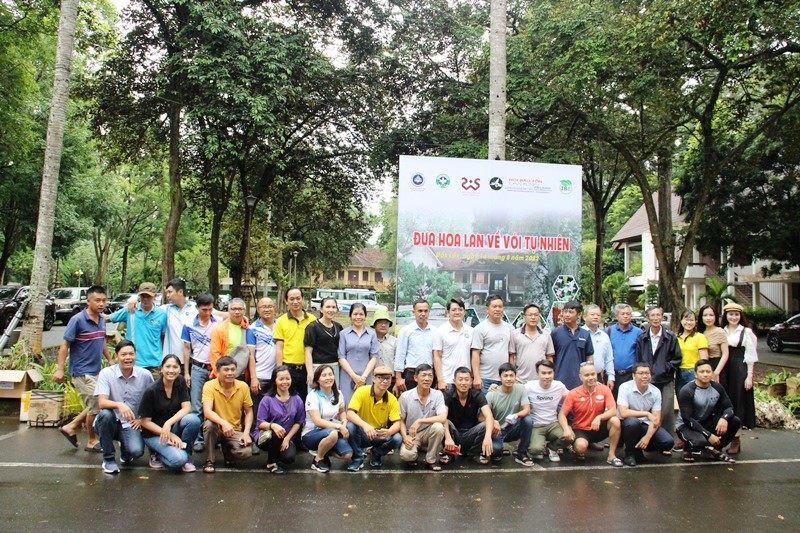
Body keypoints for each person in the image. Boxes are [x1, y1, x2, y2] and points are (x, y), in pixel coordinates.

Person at [55, 285, 111, 452]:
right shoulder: (77, 320)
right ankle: (92, 440)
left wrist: (109, 359)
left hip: (96, 371)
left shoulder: (101, 319)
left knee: (97, 403)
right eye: (97, 300)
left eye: (103, 300)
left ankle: (71, 427)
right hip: (81, 371)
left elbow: (102, 341)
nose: (101, 304)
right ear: (88, 301)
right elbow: (65, 345)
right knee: (97, 404)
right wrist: (60, 369)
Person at [93, 340, 155, 474]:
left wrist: (141, 419)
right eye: (124, 354)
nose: (128, 358)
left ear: (135, 355)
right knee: (105, 415)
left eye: (131, 354)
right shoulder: (106, 373)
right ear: (116, 357)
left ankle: (126, 452)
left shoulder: (145, 375)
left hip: (131, 424)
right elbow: (102, 402)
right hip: (110, 422)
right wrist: (119, 405)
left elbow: (151, 402)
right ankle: (108, 459)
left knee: (136, 451)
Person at [139, 354, 201, 472]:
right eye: (168, 367)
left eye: (175, 367)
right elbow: (145, 422)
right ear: (161, 369)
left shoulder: (180, 381)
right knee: (178, 460)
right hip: (154, 434)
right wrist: (169, 434)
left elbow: (187, 408)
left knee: (193, 420)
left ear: (179, 369)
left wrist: (168, 423)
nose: (171, 370)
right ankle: (157, 452)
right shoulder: (151, 390)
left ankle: (186, 455)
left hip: (172, 428)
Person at [676, 359, 741, 464]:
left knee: (734, 421)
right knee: (700, 442)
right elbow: (688, 419)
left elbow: (729, 407)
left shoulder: (717, 387)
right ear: (695, 374)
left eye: (708, 371)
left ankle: (715, 449)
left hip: (704, 422)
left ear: (712, 373)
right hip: (687, 426)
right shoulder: (687, 391)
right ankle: (688, 448)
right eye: (702, 372)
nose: (705, 375)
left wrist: (724, 418)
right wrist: (709, 435)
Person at [558, 362, 623, 467]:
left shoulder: (604, 389)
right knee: (580, 447)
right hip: (581, 429)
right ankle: (575, 447)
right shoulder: (573, 393)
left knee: (615, 421)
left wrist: (599, 417)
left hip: (597, 427)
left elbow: (613, 410)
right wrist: (566, 429)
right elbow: (562, 414)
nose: (591, 377)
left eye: (593, 374)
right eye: (587, 375)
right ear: (580, 377)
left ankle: (611, 456)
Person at [635, 306, 682, 442]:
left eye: (658, 315)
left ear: (662, 317)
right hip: (646, 379)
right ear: (648, 318)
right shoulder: (642, 337)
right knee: (647, 410)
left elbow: (677, 358)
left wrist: (665, 368)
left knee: (666, 411)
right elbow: (638, 359)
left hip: (665, 379)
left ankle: (666, 440)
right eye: (652, 316)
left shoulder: (670, 336)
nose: (655, 318)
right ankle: (647, 440)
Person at [201, 356, 253, 473]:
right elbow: (207, 411)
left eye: (232, 369)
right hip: (216, 428)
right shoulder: (209, 386)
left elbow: (249, 412)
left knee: (246, 453)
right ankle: (210, 460)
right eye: (226, 370)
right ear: (218, 371)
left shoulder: (243, 386)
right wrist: (223, 423)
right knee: (209, 425)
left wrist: (246, 433)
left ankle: (227, 449)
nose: (230, 373)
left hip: (234, 430)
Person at [181, 293, 220, 452]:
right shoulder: (189, 324)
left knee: (216, 405)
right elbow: (186, 348)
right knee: (197, 406)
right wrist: (186, 373)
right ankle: (197, 439)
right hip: (197, 368)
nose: (207, 313)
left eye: (210, 309)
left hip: (215, 369)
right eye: (204, 310)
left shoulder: (218, 322)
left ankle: (215, 437)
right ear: (197, 308)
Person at [616, 362, 675, 466]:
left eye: (647, 373)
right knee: (633, 423)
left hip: (645, 424)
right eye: (641, 373)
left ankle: (638, 449)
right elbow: (624, 413)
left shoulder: (655, 391)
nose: (645, 376)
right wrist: (646, 414)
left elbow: (656, 419)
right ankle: (629, 453)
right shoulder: (625, 387)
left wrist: (647, 437)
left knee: (668, 442)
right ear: (634, 375)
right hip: (626, 425)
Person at [345, 365, 403, 471]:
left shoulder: (392, 399)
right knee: (350, 426)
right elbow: (349, 413)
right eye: (381, 378)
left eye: (388, 378)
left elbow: (397, 423)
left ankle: (376, 453)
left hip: (379, 434)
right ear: (373, 379)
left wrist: (389, 431)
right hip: (362, 433)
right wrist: (365, 425)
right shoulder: (361, 391)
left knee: (397, 438)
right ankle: (357, 459)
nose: (385, 381)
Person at [252, 365, 305, 474]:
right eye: (281, 379)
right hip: (266, 436)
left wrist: (287, 439)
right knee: (276, 433)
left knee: (289, 458)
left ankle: (277, 454)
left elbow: (298, 422)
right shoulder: (267, 399)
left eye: (287, 378)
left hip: (286, 436)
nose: (284, 382)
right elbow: (260, 422)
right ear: (275, 381)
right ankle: (271, 463)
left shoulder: (297, 399)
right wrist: (273, 426)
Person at [720, 302, 757, 454]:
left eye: (736, 314)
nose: (733, 317)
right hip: (724, 369)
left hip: (738, 369)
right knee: (724, 402)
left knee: (738, 403)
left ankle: (736, 439)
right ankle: (723, 437)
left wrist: (749, 376)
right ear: (726, 316)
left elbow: (751, 355)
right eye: (730, 314)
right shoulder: (721, 331)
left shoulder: (746, 332)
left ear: (740, 316)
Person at [301, 365, 352, 473]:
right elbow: (317, 421)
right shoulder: (313, 396)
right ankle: (318, 459)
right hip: (311, 433)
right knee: (333, 433)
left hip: (331, 431)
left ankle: (323, 451)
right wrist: (338, 427)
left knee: (347, 455)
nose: (328, 378)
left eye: (330, 374)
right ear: (318, 380)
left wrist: (344, 422)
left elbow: (342, 411)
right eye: (324, 375)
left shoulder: (338, 393)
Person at [108, 282, 167, 372]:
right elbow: (109, 318)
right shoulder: (131, 310)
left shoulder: (162, 314)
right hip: (134, 363)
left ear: (154, 296)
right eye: (143, 296)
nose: (145, 299)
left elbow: (163, 337)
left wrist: (163, 360)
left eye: (148, 296)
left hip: (155, 364)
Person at [399, 364, 448, 471]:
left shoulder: (438, 394)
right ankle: (415, 453)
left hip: (429, 431)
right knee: (407, 456)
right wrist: (405, 437)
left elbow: (443, 417)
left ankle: (431, 460)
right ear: (416, 378)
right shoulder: (405, 396)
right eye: (424, 375)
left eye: (430, 376)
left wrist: (420, 421)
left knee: (438, 427)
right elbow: (401, 420)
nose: (427, 379)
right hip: (412, 434)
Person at [442, 367, 494, 465]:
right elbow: (442, 416)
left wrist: (488, 437)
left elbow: (488, 415)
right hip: (454, 432)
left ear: (471, 381)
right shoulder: (447, 395)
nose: (463, 383)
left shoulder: (477, 395)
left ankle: (475, 453)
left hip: (471, 433)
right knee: (444, 422)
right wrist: (448, 437)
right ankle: (449, 453)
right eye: (460, 379)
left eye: (466, 379)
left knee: (485, 424)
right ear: (454, 381)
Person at [486, 363, 534, 466]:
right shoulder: (491, 394)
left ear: (515, 376)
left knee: (528, 420)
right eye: (505, 376)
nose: (509, 379)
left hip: (513, 428)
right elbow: (482, 417)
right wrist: (493, 421)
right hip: (497, 431)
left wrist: (516, 415)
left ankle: (522, 452)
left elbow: (527, 409)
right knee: (495, 452)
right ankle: (500, 449)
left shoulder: (521, 388)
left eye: (511, 376)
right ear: (500, 377)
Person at [274, 287, 317, 402]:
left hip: (307, 368)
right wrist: (280, 369)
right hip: (288, 368)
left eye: (298, 298)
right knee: (288, 400)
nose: (295, 302)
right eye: (291, 299)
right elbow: (279, 347)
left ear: (302, 299)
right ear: (286, 301)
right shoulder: (281, 321)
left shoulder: (312, 320)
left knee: (306, 399)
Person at [525, 360, 568, 463]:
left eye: (550, 373)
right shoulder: (529, 386)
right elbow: (512, 392)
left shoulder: (559, 386)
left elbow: (574, 395)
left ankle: (552, 448)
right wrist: (494, 388)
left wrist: (592, 386)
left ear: (554, 373)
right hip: (537, 425)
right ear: (537, 374)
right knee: (535, 450)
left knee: (569, 437)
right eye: (543, 373)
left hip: (553, 423)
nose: (547, 376)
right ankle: (537, 446)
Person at [471, 295, 515, 393]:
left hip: (504, 378)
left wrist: (512, 375)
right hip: (485, 378)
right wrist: (477, 377)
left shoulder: (509, 328)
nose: (497, 309)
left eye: (500, 307)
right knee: (484, 407)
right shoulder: (480, 328)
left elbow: (511, 354)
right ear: (487, 309)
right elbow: (475, 354)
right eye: (494, 307)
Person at [338, 302, 379, 406]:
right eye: (355, 314)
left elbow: (374, 357)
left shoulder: (371, 334)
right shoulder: (343, 334)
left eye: (361, 314)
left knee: (365, 405)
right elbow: (341, 357)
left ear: (365, 316)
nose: (358, 317)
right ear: (350, 316)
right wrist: (354, 376)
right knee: (348, 404)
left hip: (366, 376)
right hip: (347, 377)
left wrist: (363, 377)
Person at [246, 297, 277, 424]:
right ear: (258, 310)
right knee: (258, 411)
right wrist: (254, 378)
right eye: (263, 307)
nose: (267, 309)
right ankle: (255, 439)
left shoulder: (280, 325)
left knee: (274, 412)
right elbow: (250, 355)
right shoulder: (252, 329)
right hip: (260, 377)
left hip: (276, 377)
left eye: (270, 306)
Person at [551, 300, 594, 390]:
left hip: (580, 381)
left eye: (571, 312)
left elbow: (589, 356)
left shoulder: (585, 334)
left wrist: (590, 374)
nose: (567, 314)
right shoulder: (556, 333)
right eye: (565, 311)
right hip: (560, 380)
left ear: (578, 315)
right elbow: (551, 356)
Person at [394, 299, 434, 394]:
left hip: (429, 375)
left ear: (429, 312)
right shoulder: (406, 331)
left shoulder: (435, 331)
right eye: (420, 311)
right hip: (411, 374)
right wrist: (398, 378)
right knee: (410, 405)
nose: (423, 314)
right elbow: (400, 354)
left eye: (425, 311)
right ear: (414, 312)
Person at [433, 297, 473, 392]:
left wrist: (473, 377)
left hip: (465, 381)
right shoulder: (440, 331)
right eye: (454, 310)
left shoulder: (471, 331)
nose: (457, 312)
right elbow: (437, 356)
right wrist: (440, 380)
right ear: (448, 312)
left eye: (460, 309)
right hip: (447, 380)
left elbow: (473, 355)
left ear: (464, 311)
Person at [304, 297, 343, 388]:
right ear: (321, 309)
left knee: (333, 398)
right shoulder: (312, 327)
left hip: (334, 368)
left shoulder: (338, 327)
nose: (331, 310)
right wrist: (310, 373)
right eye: (328, 307)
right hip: (317, 368)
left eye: (334, 307)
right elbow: (308, 352)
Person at [509, 303, 554, 384]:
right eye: (530, 315)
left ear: (539, 317)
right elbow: (511, 356)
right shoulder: (515, 334)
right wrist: (513, 376)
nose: (533, 317)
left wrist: (549, 375)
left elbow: (549, 357)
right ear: (524, 317)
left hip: (541, 381)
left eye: (536, 315)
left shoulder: (546, 335)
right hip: (520, 380)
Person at [607, 304, 644, 397]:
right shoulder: (608, 331)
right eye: (622, 314)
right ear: (616, 316)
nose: (625, 316)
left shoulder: (638, 332)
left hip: (630, 375)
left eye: (628, 314)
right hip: (613, 375)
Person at [161, 278, 198, 364]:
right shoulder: (165, 309)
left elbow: (216, 314)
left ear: (180, 292)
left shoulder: (195, 308)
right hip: (171, 362)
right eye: (167, 292)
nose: (167, 295)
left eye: (170, 292)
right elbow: (148, 308)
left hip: (191, 360)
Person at [676, 309, 709, 394]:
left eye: (691, 320)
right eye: (686, 319)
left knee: (695, 398)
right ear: (681, 321)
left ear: (695, 322)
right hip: (679, 372)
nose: (689, 323)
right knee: (681, 398)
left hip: (693, 372)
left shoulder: (700, 337)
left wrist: (700, 373)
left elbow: (704, 359)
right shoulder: (676, 337)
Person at [697, 304, 729, 385]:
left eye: (711, 315)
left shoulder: (720, 331)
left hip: (717, 366)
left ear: (715, 316)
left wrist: (716, 372)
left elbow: (725, 354)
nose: (708, 318)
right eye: (705, 315)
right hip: (702, 367)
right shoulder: (699, 333)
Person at [582, 304, 614, 384]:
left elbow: (609, 358)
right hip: (581, 378)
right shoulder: (579, 334)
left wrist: (611, 377)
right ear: (584, 317)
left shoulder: (604, 336)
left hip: (598, 377)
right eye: (592, 314)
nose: (596, 317)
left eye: (598, 315)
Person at [372, 309, 397, 387]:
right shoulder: (369, 340)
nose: (383, 325)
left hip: (391, 381)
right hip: (373, 380)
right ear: (374, 324)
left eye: (386, 323)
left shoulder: (395, 341)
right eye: (380, 322)